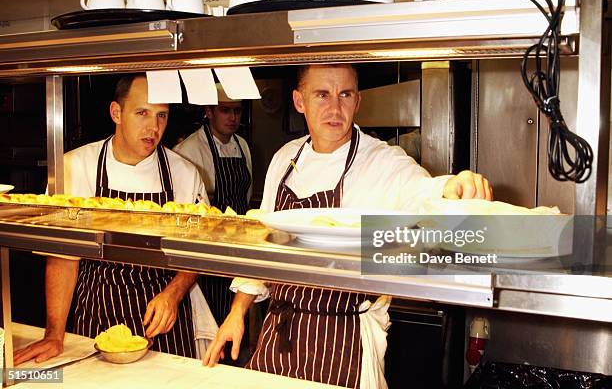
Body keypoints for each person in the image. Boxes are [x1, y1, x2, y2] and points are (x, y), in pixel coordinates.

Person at [202, 64, 492, 388]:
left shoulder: (382, 161)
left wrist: (455, 184)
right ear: (300, 101)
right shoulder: (284, 159)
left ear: (358, 101)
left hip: (343, 341)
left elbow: (423, 192)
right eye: (322, 94)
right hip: (279, 334)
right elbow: (265, 244)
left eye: (345, 94)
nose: (335, 108)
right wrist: (237, 312)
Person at [14, 74, 208, 365]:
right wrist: (54, 335)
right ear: (116, 113)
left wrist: (175, 293)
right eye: (142, 113)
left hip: (165, 319)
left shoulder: (184, 173)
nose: (153, 128)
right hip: (97, 310)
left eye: (161, 116)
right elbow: (62, 258)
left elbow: (198, 249)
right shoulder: (75, 166)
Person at [173, 84, 252, 341]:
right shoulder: (189, 150)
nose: (233, 118)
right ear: (208, 111)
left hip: (241, 245)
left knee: (240, 311)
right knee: (213, 320)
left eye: (237, 111)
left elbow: (246, 195)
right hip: (209, 250)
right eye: (225, 110)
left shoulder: (243, 146)